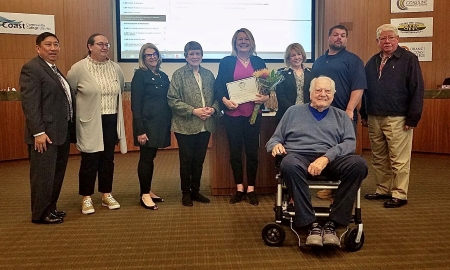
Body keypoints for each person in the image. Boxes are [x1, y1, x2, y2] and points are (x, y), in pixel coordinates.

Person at [266, 76, 368, 247]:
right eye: (318, 90)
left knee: (359, 165)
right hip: (299, 157)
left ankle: (333, 223)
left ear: (333, 95)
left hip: (332, 159)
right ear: (310, 93)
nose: (323, 94)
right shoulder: (293, 112)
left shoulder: (342, 116)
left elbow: (350, 143)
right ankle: (310, 223)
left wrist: (326, 158)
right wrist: (275, 145)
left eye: (327, 91)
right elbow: (273, 140)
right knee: (288, 164)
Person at [361, 24, 424, 208]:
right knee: (379, 158)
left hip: (398, 118)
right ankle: (383, 189)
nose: (387, 41)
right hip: (374, 117)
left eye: (391, 37)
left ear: (397, 39)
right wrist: (364, 113)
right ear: (377, 41)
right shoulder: (372, 61)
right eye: (383, 38)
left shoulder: (409, 59)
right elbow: (366, 91)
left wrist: (413, 117)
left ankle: (399, 194)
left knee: (399, 159)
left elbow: (417, 89)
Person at [67, 33, 127, 215]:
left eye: (107, 44)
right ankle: (86, 197)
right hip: (90, 121)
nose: (105, 47)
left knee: (108, 159)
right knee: (90, 160)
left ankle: (106, 194)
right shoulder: (79, 68)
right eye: (100, 44)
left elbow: (121, 89)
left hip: (111, 119)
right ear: (89, 46)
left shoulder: (116, 68)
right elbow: (70, 92)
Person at [20, 32, 76, 224]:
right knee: (42, 176)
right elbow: (30, 104)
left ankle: (51, 209)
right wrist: (39, 132)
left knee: (55, 175)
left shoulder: (53, 69)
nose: (53, 48)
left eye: (56, 44)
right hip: (44, 135)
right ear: (38, 48)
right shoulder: (32, 68)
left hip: (60, 133)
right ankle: (40, 214)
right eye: (48, 45)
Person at [214, 28, 269, 206]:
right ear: (234, 42)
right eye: (240, 39)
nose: (243, 42)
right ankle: (239, 188)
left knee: (252, 152)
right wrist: (224, 100)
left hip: (254, 114)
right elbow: (219, 86)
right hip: (233, 114)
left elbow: (266, 87)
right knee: (235, 152)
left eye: (246, 39)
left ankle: (251, 188)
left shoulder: (259, 61)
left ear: (251, 42)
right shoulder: (227, 62)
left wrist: (266, 97)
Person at [312, 24, 367, 200]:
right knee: (326, 149)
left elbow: (358, 87)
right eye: (336, 35)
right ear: (329, 38)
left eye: (343, 35)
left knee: (344, 152)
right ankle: (329, 187)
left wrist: (350, 109)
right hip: (322, 115)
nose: (339, 38)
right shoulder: (319, 61)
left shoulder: (353, 60)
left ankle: (342, 191)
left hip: (344, 115)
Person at [168, 41, 219, 207]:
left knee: (199, 160)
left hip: (205, 125)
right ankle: (185, 193)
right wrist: (193, 111)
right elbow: (172, 100)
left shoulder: (208, 74)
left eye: (198, 53)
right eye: (191, 54)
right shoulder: (178, 75)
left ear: (202, 55)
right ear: (185, 56)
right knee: (186, 161)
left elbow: (217, 97)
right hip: (185, 126)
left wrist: (212, 109)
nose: (195, 56)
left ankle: (196, 191)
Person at [131, 43, 171, 210]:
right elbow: (136, 104)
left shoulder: (163, 76)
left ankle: (148, 189)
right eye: (148, 55)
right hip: (146, 125)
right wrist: (140, 129)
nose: (152, 57)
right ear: (143, 58)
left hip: (161, 124)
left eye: (154, 54)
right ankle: (144, 194)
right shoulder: (140, 75)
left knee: (151, 157)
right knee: (146, 158)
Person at [275, 43, 314, 122]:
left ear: (302, 56)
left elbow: (314, 93)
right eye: (293, 55)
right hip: (287, 115)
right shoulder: (281, 73)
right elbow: (281, 96)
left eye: (299, 54)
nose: (297, 57)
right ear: (288, 58)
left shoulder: (311, 73)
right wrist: (295, 110)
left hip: (308, 114)